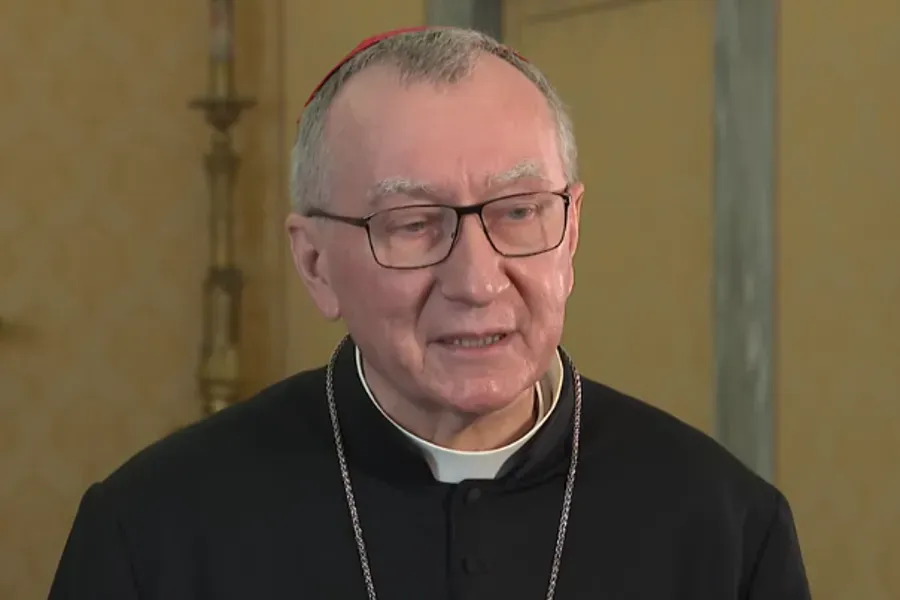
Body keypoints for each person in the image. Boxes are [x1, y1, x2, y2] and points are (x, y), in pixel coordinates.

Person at [49, 26, 811, 599]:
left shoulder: (727, 531)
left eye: (519, 212)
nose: (476, 281)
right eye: (414, 224)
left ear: (571, 232)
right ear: (315, 264)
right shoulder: (152, 534)